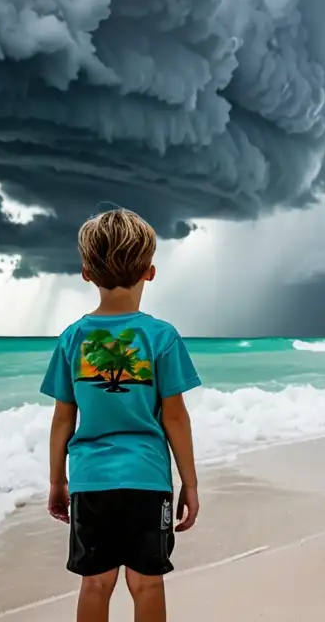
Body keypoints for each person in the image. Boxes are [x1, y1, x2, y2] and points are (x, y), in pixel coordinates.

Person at [40, 208, 201, 622]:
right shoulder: (161, 336)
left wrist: (58, 480)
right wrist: (190, 483)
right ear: (150, 272)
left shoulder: (72, 338)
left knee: (95, 582)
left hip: (90, 479)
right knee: (147, 582)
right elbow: (176, 419)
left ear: (85, 273)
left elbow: (63, 419)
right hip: (147, 479)